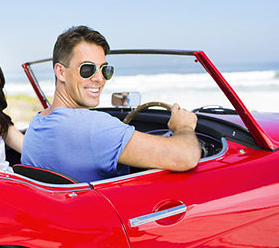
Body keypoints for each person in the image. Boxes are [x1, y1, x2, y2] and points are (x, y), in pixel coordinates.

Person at [21, 25, 201, 182]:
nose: (99, 79)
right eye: (87, 69)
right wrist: (183, 127)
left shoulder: (37, 124)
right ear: (60, 72)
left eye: (105, 69)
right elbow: (186, 157)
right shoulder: (94, 128)